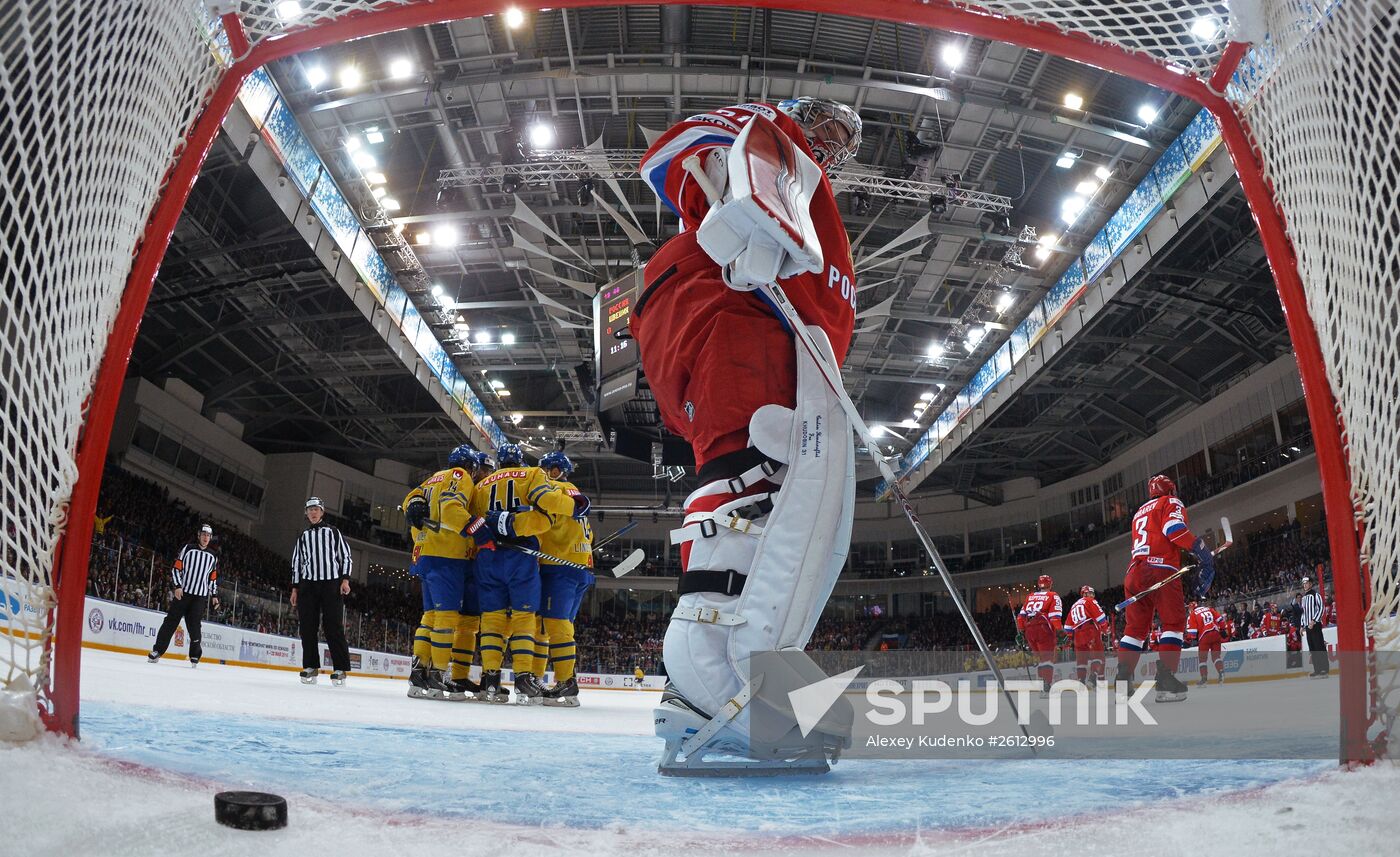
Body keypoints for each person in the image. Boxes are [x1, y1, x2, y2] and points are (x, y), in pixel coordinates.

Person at [633, 96, 863, 773]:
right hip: (736, 322)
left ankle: (698, 679)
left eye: (839, 139)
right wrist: (762, 188)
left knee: (770, 479)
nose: (830, 143)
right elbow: (681, 155)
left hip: (734, 328)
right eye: (826, 126)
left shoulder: (794, 173)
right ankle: (714, 673)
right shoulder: (771, 138)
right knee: (759, 473)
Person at [468, 443, 575, 704]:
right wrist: (572, 507)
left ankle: (490, 680)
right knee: (524, 617)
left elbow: (470, 521)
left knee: (491, 620)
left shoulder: (480, 485)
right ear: (520, 460)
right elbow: (547, 504)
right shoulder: (531, 474)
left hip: (487, 556)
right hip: (521, 555)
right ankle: (523, 678)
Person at [1112, 474, 1216, 703]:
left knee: (1135, 630)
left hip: (1133, 573)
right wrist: (1201, 550)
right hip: (1160, 569)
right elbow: (1174, 530)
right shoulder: (1170, 502)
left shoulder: (1139, 511)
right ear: (1171, 490)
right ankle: (1166, 680)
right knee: (1174, 622)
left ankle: (1123, 679)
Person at [401, 444, 482, 701]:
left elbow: (410, 500)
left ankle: (418, 673)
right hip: (447, 555)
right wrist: (477, 527)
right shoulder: (461, 476)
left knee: (430, 618)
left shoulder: (434, 477)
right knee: (446, 620)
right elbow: (450, 508)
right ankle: (436, 676)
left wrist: (414, 502)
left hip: (424, 553)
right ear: (471, 466)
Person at [534, 450, 594, 708]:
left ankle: (566, 682)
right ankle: (545, 679)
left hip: (558, 567)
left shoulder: (554, 495)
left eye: (546, 469)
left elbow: (537, 526)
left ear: (555, 470)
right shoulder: (577, 495)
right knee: (561, 627)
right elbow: (587, 537)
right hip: (580, 570)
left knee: (556, 627)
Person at [290, 497, 354, 686]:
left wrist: (345, 580)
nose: (313, 513)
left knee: (332, 625)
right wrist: (295, 588)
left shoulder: (333, 532)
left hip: (331, 584)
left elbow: (346, 556)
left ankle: (340, 669)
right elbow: (296, 563)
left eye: (316, 509)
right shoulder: (303, 537)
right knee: (307, 626)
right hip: (307, 585)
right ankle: (310, 666)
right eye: (310, 510)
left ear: (322, 511)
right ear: (306, 513)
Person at [148, 523, 219, 667]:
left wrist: (215, 595)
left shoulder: (213, 556)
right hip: (183, 594)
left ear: (210, 538)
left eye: (208, 536)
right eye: (203, 534)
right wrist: (178, 586)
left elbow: (212, 577)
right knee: (170, 622)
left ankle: (194, 656)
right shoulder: (188, 549)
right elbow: (176, 568)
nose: (205, 538)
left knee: (195, 627)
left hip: (199, 597)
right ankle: (157, 651)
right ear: (199, 535)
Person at [1015, 574, 1063, 695]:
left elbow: (1021, 617)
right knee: (1047, 658)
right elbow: (1055, 617)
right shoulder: (1053, 595)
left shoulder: (1030, 596)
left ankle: (1042, 682)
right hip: (1043, 628)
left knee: (1041, 659)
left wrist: (1021, 633)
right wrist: (1061, 632)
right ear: (1050, 584)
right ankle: (1046, 683)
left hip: (1029, 630)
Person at [1065, 585, 1108, 687]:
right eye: (1090, 593)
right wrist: (1105, 627)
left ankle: (1081, 681)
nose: (1092, 595)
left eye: (1093, 593)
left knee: (1081, 660)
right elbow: (1100, 616)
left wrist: (1070, 638)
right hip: (1089, 630)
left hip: (1077, 636)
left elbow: (1067, 627)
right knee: (1099, 656)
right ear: (1084, 594)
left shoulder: (1073, 606)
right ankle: (1092, 678)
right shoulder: (1089, 601)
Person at [1186, 600, 1227, 685]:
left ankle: (1204, 679)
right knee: (1216, 656)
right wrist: (1222, 629)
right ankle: (1221, 672)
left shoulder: (1193, 614)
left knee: (1202, 659)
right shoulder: (1208, 609)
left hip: (1204, 636)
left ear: (1192, 608)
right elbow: (1220, 619)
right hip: (1215, 632)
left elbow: (1192, 632)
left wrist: (1192, 638)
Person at [1300, 575, 1329, 677]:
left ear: (1311, 584)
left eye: (1306, 583)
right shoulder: (1303, 598)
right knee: (1312, 648)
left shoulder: (1316, 595)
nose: (1305, 585)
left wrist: (1314, 621)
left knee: (1319, 647)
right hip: (1308, 627)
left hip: (1315, 625)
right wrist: (1302, 625)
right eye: (1304, 584)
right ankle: (1317, 669)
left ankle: (1324, 670)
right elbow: (1303, 613)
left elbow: (1321, 608)